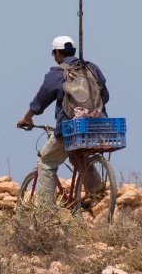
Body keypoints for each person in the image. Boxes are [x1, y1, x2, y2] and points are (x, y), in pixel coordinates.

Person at [16, 36, 110, 205]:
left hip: (71, 128)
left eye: (54, 55)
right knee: (77, 157)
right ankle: (98, 196)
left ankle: (46, 212)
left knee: (45, 161)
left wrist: (26, 119)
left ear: (57, 53)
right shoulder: (92, 68)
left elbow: (40, 101)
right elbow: (105, 95)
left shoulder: (57, 74)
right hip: (99, 125)